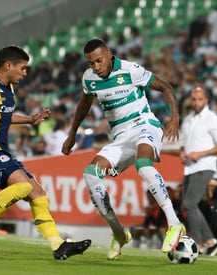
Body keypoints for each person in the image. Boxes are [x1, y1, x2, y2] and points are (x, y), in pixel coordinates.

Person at [0, 45, 91, 259]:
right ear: (8, 65)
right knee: (22, 186)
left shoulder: (8, 87)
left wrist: (29, 120)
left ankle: (58, 246)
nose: (25, 73)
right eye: (23, 68)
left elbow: (4, 116)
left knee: (38, 195)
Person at [62, 38, 185, 260]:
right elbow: (83, 105)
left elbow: (165, 86)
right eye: (91, 63)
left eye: (99, 61)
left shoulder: (130, 70)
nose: (96, 67)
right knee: (91, 175)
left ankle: (175, 224)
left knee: (143, 164)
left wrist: (175, 117)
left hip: (145, 125)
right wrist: (72, 134)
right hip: (120, 138)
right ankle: (119, 234)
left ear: (109, 55)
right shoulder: (89, 79)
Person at [179, 86, 217, 256]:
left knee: (190, 204)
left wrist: (200, 153)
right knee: (188, 205)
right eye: (194, 99)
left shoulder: (212, 119)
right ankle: (210, 241)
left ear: (206, 100)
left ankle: (197, 242)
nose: (196, 102)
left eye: (200, 99)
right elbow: (184, 143)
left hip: (205, 165)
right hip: (190, 167)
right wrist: (182, 153)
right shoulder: (188, 120)